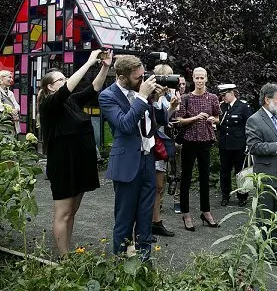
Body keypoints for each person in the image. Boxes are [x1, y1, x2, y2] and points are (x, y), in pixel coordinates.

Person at [99, 55, 174, 262]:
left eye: (143, 75)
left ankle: (143, 264)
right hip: (127, 164)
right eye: (137, 77)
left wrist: (157, 101)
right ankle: (121, 265)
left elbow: (160, 121)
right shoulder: (108, 96)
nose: (143, 80)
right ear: (122, 77)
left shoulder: (143, 92)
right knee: (124, 219)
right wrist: (142, 97)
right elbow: (124, 125)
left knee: (145, 216)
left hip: (148, 160)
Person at [38, 49, 112, 256]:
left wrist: (105, 66)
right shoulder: (49, 105)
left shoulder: (71, 102)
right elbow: (67, 90)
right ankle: (64, 259)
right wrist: (89, 62)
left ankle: (67, 253)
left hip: (80, 162)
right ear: (51, 87)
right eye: (61, 79)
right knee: (62, 213)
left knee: (72, 213)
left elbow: (94, 88)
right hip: (63, 164)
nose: (66, 80)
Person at [245, 83, 277, 260]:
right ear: (267, 100)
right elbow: (254, 146)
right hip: (266, 174)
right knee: (265, 214)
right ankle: (263, 251)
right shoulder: (254, 119)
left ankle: (273, 244)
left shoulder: (276, 116)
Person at [175, 67, 221, 230]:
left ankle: (206, 211)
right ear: (193, 79)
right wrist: (195, 118)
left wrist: (212, 120)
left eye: (203, 78)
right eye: (197, 78)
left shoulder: (213, 98)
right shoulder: (185, 98)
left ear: (206, 79)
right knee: (186, 178)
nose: (200, 81)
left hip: (206, 141)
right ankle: (186, 214)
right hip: (189, 141)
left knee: (204, 178)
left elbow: (217, 118)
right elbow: (179, 120)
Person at [150, 64, 180, 238]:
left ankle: (156, 222)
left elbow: (164, 119)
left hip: (160, 142)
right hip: (151, 143)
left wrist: (173, 107)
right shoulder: (152, 95)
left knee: (159, 186)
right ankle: (147, 223)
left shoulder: (165, 96)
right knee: (152, 186)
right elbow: (153, 120)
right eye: (165, 76)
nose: (169, 80)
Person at [217, 83, 252, 207]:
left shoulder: (243, 106)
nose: (223, 97)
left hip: (239, 145)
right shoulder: (222, 107)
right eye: (221, 95)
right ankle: (225, 195)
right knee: (224, 171)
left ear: (232, 93)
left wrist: (249, 144)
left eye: (225, 94)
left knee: (240, 172)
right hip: (225, 145)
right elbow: (219, 125)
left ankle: (242, 196)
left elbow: (249, 126)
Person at [171, 76, 186, 214]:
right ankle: (159, 203)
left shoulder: (188, 99)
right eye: (179, 84)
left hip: (181, 140)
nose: (182, 86)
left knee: (179, 172)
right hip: (166, 140)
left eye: (184, 84)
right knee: (163, 173)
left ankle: (178, 200)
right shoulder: (168, 98)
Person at [0, 70, 21, 134]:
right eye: (9, 77)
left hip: (11, 122)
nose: (11, 80)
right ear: (2, 78)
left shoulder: (10, 93)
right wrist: (10, 110)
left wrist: (16, 109)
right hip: (2, 122)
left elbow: (16, 104)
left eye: (12, 78)